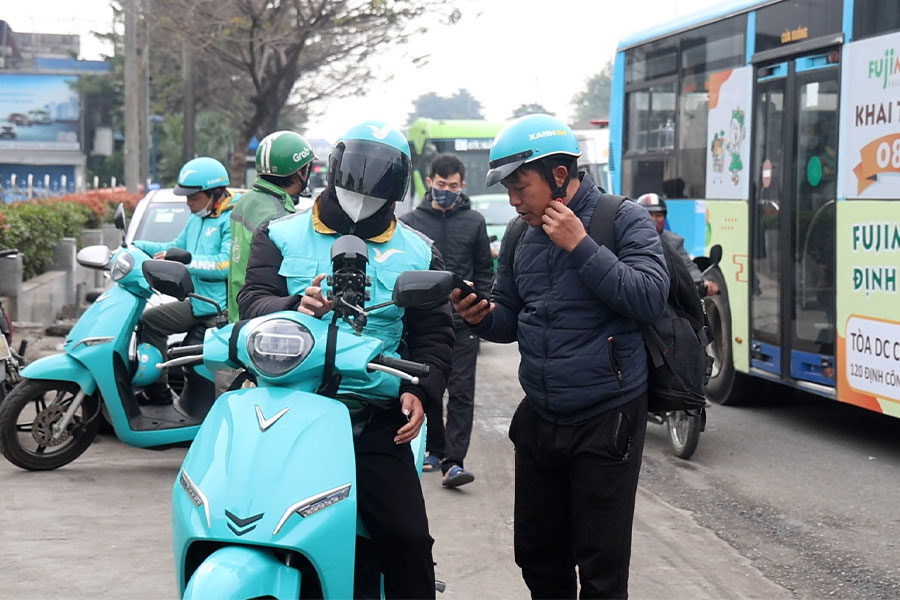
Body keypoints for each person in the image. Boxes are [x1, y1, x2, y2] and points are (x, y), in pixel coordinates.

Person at [450, 114, 669, 598]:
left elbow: (650, 298)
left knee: (601, 566)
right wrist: (480, 317)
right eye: (508, 189)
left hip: (607, 416)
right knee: (539, 556)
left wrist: (581, 246)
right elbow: (510, 315)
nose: (513, 200)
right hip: (542, 416)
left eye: (520, 187)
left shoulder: (622, 218)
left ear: (560, 176)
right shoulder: (518, 234)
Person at [237, 121, 454, 599]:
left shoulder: (419, 252)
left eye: (381, 174)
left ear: (399, 183)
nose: (365, 185)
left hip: (373, 415)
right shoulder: (280, 234)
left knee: (408, 539)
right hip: (284, 408)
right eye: (357, 169)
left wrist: (420, 391)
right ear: (335, 168)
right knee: (245, 519)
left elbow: (435, 336)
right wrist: (293, 306)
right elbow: (251, 301)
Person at [399, 153, 493, 488]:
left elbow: (485, 270)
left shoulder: (475, 222)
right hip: (425, 324)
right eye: (441, 185)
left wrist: (481, 306)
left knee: (462, 392)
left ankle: (454, 462)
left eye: (453, 186)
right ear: (430, 183)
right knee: (430, 387)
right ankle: (435, 449)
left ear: (462, 185)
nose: (447, 191)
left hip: (464, 323)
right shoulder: (410, 222)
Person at [134, 157, 234, 404]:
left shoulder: (231, 218)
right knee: (150, 321)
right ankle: (158, 391)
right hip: (197, 302)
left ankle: (221, 413)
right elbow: (173, 247)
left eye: (194, 197)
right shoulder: (197, 218)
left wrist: (185, 263)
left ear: (215, 193)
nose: (188, 203)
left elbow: (225, 264)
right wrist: (136, 246)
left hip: (219, 310)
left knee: (219, 370)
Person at [227, 130, 316, 323]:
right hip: (260, 320)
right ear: (300, 173)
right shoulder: (279, 217)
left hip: (237, 315)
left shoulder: (245, 201)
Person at [636, 193, 719, 297]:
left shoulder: (674, 242)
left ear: (664, 218)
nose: (654, 220)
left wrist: (702, 283)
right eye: (649, 215)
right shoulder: (626, 239)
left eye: (659, 215)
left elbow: (687, 267)